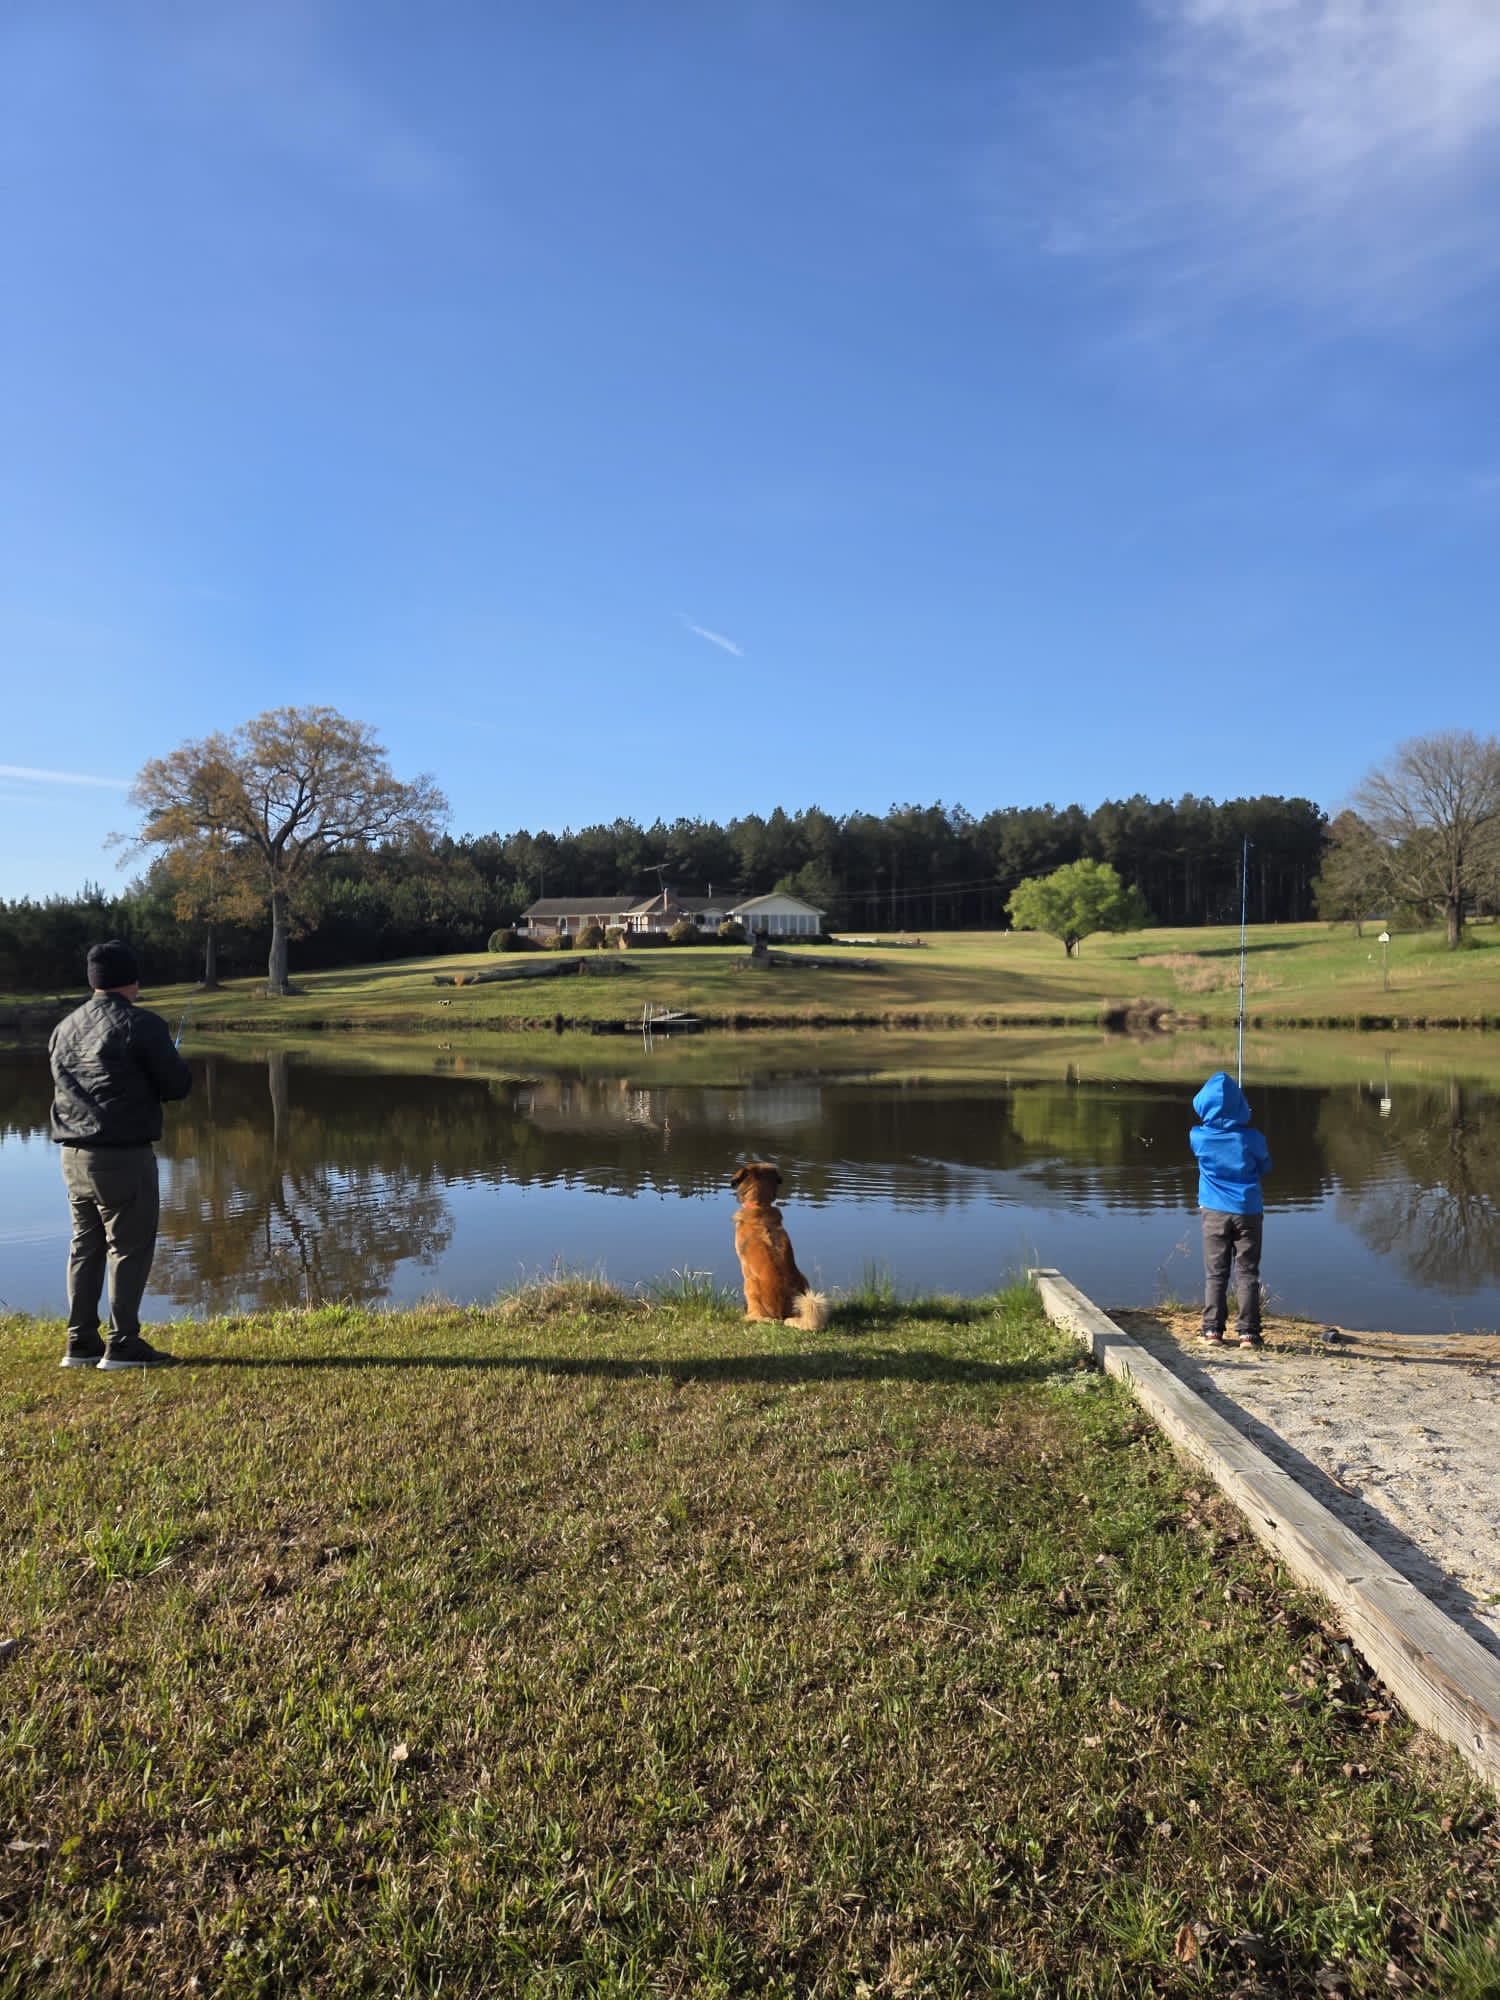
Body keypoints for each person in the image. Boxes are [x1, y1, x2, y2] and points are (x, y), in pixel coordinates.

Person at [49, 941, 192, 1369]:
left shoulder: (64, 1027)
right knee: (128, 1247)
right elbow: (176, 1087)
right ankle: (123, 1344)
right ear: (132, 979)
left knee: (85, 1247)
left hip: (72, 1156)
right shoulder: (142, 1024)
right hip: (123, 1157)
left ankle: (80, 1343)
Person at [1190, 1071, 1271, 1350]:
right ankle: (1249, 1334)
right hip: (1248, 1210)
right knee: (1247, 1272)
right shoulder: (1252, 1138)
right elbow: (1265, 1167)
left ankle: (1212, 1331)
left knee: (1216, 1273)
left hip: (1213, 1211)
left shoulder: (1198, 1137)